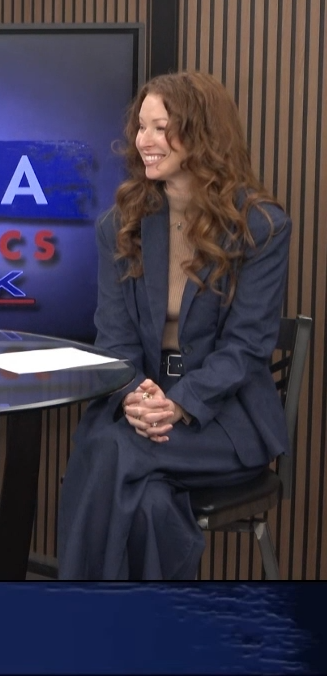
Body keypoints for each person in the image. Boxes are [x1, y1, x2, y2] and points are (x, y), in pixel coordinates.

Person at [57, 71, 291, 580]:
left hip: (222, 418)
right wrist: (134, 395)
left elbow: (247, 347)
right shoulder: (121, 225)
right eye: (141, 126)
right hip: (141, 402)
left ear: (202, 133)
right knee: (148, 503)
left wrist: (179, 403)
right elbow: (114, 337)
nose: (144, 140)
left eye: (161, 127)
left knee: (108, 450)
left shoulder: (261, 228)